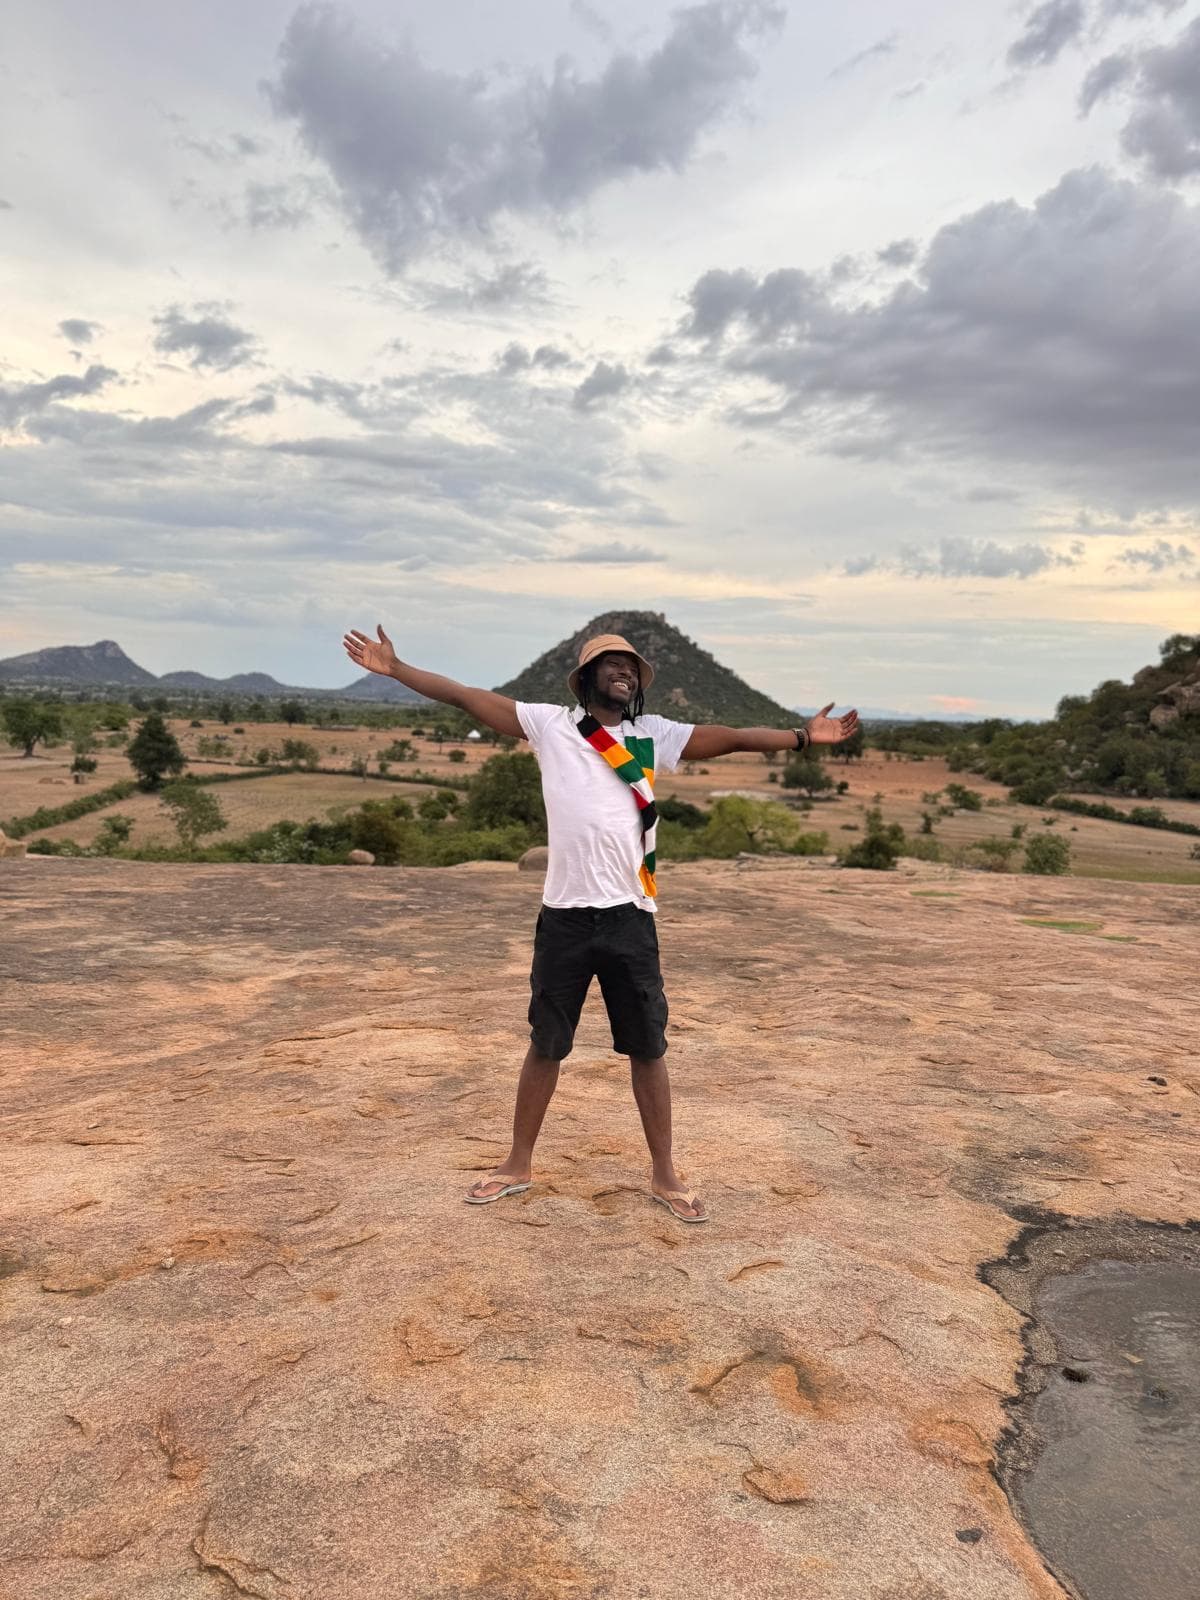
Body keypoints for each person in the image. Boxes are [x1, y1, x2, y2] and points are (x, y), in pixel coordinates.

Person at [342, 624, 859, 1223]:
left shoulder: (651, 735)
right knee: (546, 1043)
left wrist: (800, 736)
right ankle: (517, 1163)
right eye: (611, 663)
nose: (624, 671)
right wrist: (399, 669)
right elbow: (465, 696)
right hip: (564, 915)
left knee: (648, 1046)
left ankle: (665, 1173)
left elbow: (732, 738)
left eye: (631, 666)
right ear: (586, 677)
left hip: (630, 917)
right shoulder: (550, 726)